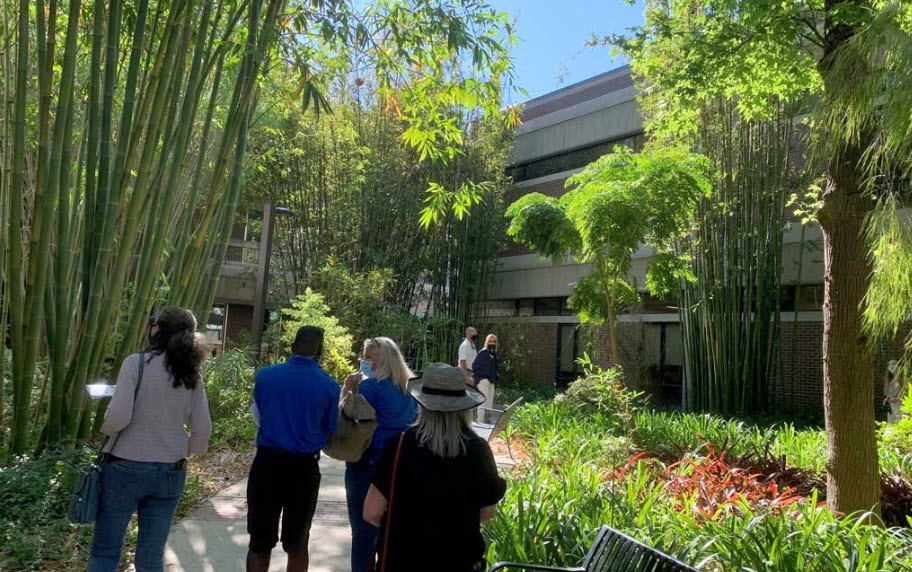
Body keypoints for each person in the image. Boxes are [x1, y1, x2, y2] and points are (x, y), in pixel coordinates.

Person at [89, 307, 212, 572]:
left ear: (157, 329)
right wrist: (181, 450)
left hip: (124, 466)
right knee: (151, 555)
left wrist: (104, 428)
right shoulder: (191, 373)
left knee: (106, 550)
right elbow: (203, 430)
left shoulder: (136, 364)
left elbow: (119, 417)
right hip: (170, 471)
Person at [363, 363, 507, 572]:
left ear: (421, 402)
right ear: (463, 405)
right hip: (459, 562)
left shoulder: (399, 445)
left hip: (402, 561)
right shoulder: (479, 450)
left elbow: (371, 513)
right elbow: (487, 512)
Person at [246, 326, 340, 572]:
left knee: (259, 543)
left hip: (267, 464)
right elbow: (330, 430)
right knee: (298, 542)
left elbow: (258, 416)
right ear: (321, 352)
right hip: (304, 467)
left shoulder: (265, 376)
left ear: (293, 347)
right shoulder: (329, 386)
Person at [342, 337, 418, 572]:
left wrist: (346, 389)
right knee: (391, 531)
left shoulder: (369, 387)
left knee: (363, 532)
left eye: (368, 357)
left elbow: (344, 420)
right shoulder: (409, 387)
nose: (363, 361)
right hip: (401, 462)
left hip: (368, 461)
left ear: (382, 360)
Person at [472, 334, 500, 422]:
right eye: (490, 341)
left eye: (494, 341)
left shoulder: (493, 353)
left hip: (491, 381)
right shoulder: (483, 353)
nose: (492, 343)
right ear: (486, 342)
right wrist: (480, 378)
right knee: (482, 404)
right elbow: (475, 366)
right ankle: (479, 422)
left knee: (489, 404)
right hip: (483, 381)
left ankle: (486, 422)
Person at [884, 360, 908, 424]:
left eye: (894, 364)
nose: (892, 366)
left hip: (902, 406)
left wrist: (896, 399)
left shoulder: (905, 380)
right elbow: (887, 393)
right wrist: (887, 398)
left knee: (902, 423)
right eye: (890, 364)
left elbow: (907, 394)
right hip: (891, 407)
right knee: (892, 425)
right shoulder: (889, 381)